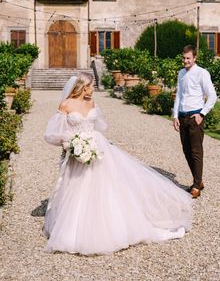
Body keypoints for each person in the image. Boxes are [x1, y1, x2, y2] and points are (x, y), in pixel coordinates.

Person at [43, 72, 192, 255]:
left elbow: (98, 126)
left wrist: (89, 142)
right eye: (91, 85)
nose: (93, 88)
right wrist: (71, 144)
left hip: (97, 147)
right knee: (77, 188)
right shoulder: (65, 105)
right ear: (82, 86)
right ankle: (75, 231)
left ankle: (110, 226)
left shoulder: (91, 103)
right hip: (77, 151)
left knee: (104, 187)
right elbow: (53, 133)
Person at [173, 45, 217, 199]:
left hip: (195, 118)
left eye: (188, 58)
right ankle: (198, 180)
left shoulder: (202, 73)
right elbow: (179, 95)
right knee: (186, 151)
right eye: (183, 58)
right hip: (182, 117)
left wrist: (202, 114)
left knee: (196, 152)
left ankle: (197, 185)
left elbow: (212, 96)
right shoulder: (181, 73)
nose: (185, 61)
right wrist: (174, 116)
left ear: (194, 58)